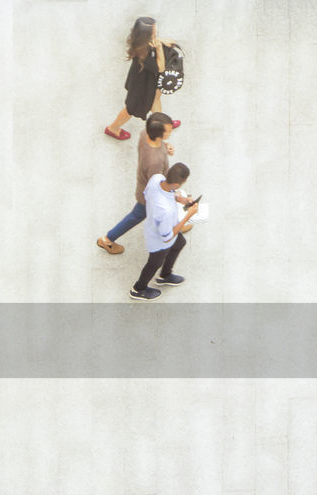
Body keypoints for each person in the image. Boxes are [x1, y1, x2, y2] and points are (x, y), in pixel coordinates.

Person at [98, 112, 191, 254]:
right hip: (147, 196)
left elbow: (157, 145)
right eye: (168, 131)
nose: (171, 131)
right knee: (137, 216)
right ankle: (108, 239)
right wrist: (176, 195)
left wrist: (164, 146)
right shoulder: (155, 162)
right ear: (157, 133)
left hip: (143, 184)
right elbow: (157, 189)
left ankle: (175, 223)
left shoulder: (145, 134)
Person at [104, 17, 181, 141]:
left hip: (148, 81)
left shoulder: (142, 42)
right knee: (130, 109)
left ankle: (162, 124)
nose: (156, 30)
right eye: (154, 29)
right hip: (140, 86)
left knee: (155, 98)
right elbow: (160, 68)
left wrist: (159, 41)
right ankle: (113, 128)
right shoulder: (143, 52)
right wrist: (160, 48)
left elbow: (161, 41)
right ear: (147, 34)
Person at [130, 162, 197, 301]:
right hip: (159, 241)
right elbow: (167, 237)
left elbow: (152, 194)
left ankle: (165, 275)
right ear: (176, 185)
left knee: (180, 243)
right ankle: (138, 289)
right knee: (154, 263)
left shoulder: (156, 179)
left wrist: (181, 199)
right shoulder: (165, 211)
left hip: (153, 227)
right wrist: (188, 216)